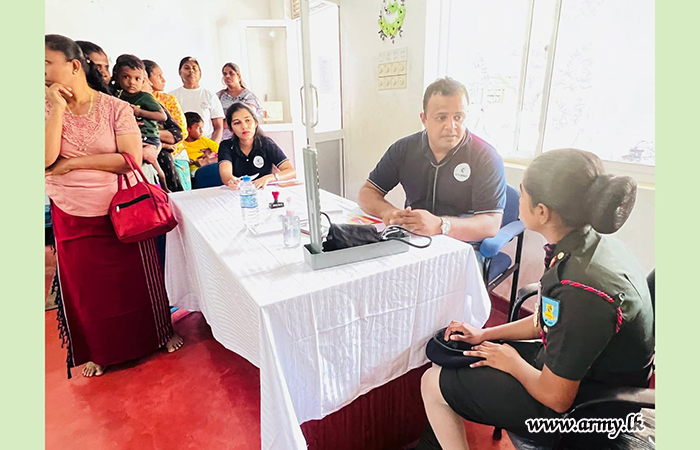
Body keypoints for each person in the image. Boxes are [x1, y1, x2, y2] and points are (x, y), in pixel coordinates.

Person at [413, 149, 655, 449]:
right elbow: (548, 320)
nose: (517, 197)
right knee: (455, 360)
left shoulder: (579, 287)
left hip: (588, 413)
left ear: (542, 211)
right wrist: (485, 334)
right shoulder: (587, 245)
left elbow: (556, 398)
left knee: (432, 383)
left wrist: (512, 362)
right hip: (583, 375)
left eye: (522, 191)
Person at [44, 34, 183, 379]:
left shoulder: (114, 108)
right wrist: (57, 108)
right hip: (70, 211)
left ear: (73, 66)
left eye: (46, 63)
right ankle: (101, 351)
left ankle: (159, 334)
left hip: (121, 209)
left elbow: (129, 159)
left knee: (136, 280)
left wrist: (73, 163)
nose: (40, 72)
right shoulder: (43, 108)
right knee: (87, 287)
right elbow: (45, 160)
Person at [358, 77, 506, 242]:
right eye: (441, 118)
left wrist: (441, 225)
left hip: (463, 244)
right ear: (424, 119)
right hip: (413, 238)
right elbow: (368, 192)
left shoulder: (485, 157)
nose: (451, 126)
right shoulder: (404, 149)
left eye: (458, 117)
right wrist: (389, 212)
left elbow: (491, 223)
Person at [110, 54, 169, 189]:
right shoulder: (116, 97)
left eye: (137, 79)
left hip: (149, 137)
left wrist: (139, 112)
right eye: (126, 77)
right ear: (117, 78)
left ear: (143, 80)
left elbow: (162, 116)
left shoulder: (145, 97)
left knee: (150, 160)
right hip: (133, 138)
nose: (132, 82)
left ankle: (164, 187)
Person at [218, 103, 296, 190]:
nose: (244, 126)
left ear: (255, 123)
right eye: (237, 123)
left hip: (264, 191)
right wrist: (231, 180)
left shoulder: (266, 143)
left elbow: (291, 171)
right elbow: (225, 173)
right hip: (238, 192)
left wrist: (269, 178)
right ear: (231, 128)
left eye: (248, 120)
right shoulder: (226, 146)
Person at [143, 59, 191, 190]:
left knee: (181, 195)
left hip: (176, 154)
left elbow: (182, 131)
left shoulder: (167, 100)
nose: (163, 80)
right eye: (158, 76)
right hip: (149, 156)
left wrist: (149, 135)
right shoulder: (134, 102)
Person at [169, 56, 225, 143]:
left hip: (206, 145)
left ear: (200, 73)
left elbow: (218, 127)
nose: (191, 71)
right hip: (180, 146)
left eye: (194, 68)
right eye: (187, 68)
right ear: (180, 72)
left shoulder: (210, 96)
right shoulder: (171, 97)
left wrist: (211, 148)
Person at [216, 62, 263, 141]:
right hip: (223, 140)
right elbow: (214, 120)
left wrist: (223, 123)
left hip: (244, 139)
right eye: (225, 74)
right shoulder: (218, 96)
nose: (227, 76)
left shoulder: (248, 96)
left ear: (239, 76)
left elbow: (248, 118)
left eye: (231, 73)